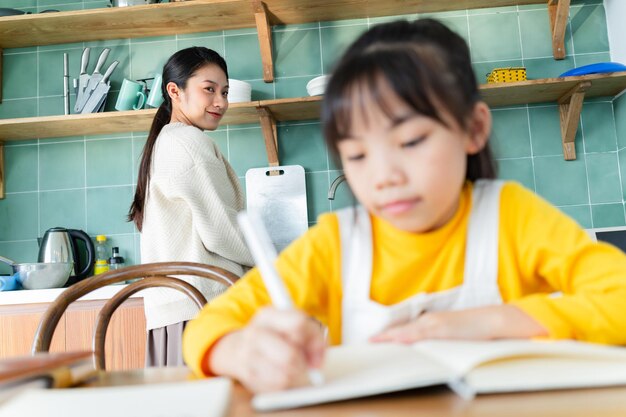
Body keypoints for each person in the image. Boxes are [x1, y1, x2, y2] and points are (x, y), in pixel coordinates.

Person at [182, 19, 626, 391]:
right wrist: (237, 350)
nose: (384, 175)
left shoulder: (511, 216)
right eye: (357, 155)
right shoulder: (337, 245)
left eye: (411, 141)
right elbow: (207, 327)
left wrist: (503, 320)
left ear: (473, 129)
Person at [128, 47, 253, 367]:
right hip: (202, 309)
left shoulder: (167, 141)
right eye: (209, 89)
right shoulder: (188, 142)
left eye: (224, 92)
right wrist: (276, 261)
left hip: (177, 312)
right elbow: (223, 232)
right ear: (175, 91)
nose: (221, 102)